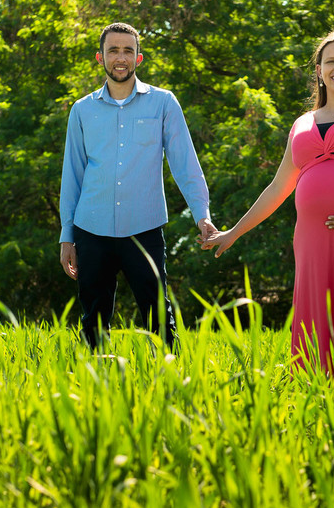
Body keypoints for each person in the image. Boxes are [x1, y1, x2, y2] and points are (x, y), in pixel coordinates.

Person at [202, 28, 334, 369]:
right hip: (312, 236)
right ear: (319, 70)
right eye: (330, 61)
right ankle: (314, 389)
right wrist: (233, 232)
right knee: (315, 308)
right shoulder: (302, 124)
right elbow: (278, 187)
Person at [59, 22, 217, 350]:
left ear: (139, 58)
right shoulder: (82, 110)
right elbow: (72, 176)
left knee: (160, 318)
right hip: (91, 230)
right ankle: (95, 391)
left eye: (128, 51)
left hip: (144, 230)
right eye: (113, 50)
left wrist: (201, 213)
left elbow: (185, 164)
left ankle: (169, 389)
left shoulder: (163, 104)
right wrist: (67, 236)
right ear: (100, 58)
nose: (121, 57)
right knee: (93, 322)